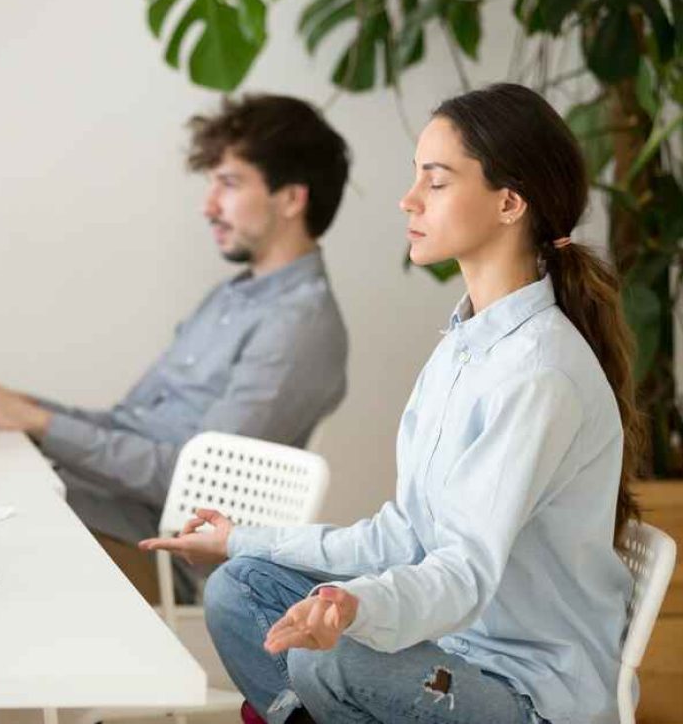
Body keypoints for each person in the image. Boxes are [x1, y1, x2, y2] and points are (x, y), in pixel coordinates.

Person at [140, 82, 644, 724]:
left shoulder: (539, 373)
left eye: (436, 182)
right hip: (447, 651)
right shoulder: (465, 344)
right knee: (241, 585)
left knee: (335, 657)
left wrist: (357, 609)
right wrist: (242, 538)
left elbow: (463, 573)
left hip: (522, 692)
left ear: (509, 202)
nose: (408, 200)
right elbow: (403, 534)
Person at [0, 94, 350, 604]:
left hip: (158, 555)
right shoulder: (231, 297)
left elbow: (199, 488)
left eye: (228, 183)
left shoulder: (300, 327)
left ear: (291, 199)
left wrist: (38, 423)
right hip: (103, 510)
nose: (208, 207)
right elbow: (129, 423)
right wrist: (21, 407)